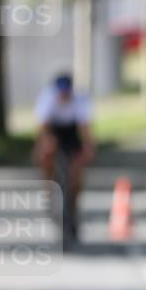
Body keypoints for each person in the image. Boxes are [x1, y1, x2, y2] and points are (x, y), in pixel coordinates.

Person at [33, 73, 95, 240]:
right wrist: (44, 146)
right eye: (61, 93)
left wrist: (87, 148)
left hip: (73, 132)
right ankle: (48, 190)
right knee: (46, 154)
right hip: (54, 130)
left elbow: (85, 130)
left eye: (67, 93)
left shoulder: (80, 100)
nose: (64, 96)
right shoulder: (47, 98)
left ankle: (74, 201)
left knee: (77, 169)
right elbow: (43, 129)